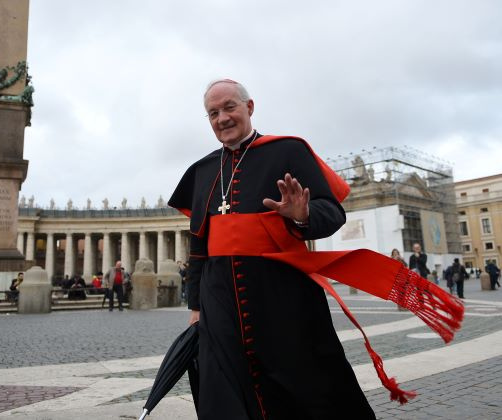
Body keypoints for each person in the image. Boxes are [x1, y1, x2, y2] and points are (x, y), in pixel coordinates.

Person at [168, 79, 463, 419]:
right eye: (213, 112)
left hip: (283, 295)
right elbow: (199, 244)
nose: (222, 118)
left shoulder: (288, 151)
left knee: (307, 384)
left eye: (229, 107)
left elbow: (333, 213)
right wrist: (195, 305)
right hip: (218, 301)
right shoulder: (202, 170)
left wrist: (304, 214)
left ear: (249, 107)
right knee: (225, 387)